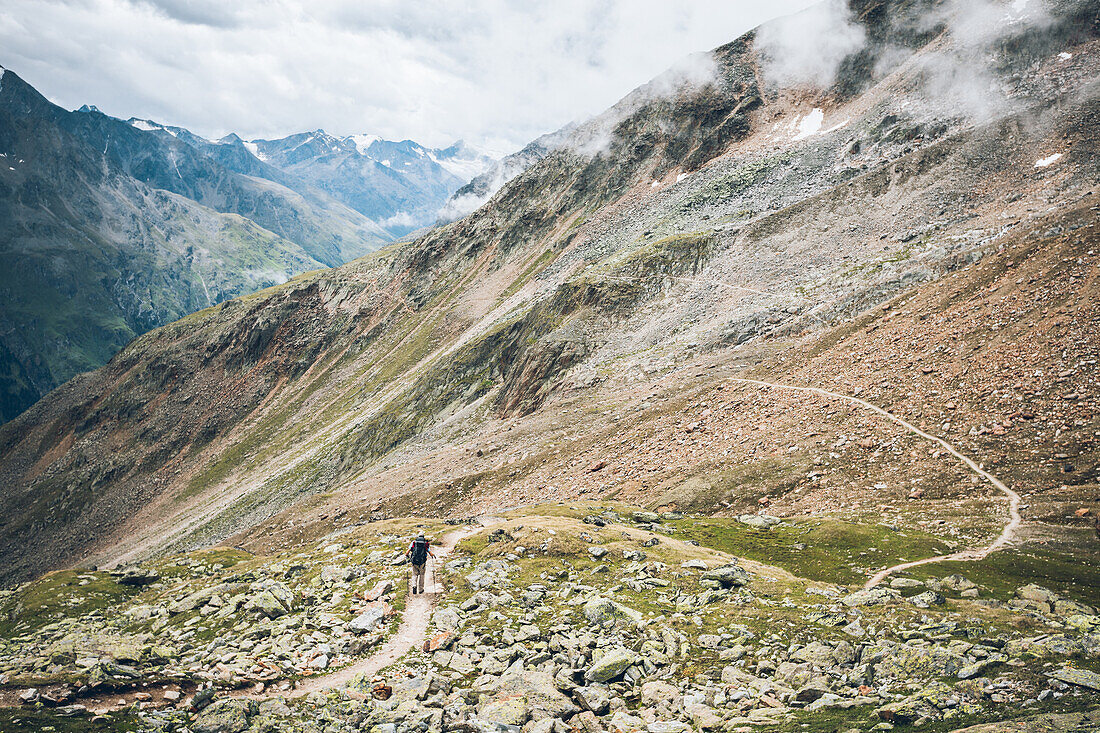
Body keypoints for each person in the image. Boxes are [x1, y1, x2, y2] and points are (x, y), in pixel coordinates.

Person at [405, 530, 434, 594]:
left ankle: (414, 586)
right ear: (423, 536)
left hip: (414, 561)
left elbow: (407, 552)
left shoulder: (414, 542)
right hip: (422, 562)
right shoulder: (425, 543)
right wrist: (432, 555)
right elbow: (429, 552)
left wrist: (407, 556)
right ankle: (421, 589)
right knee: (422, 575)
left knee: (414, 574)